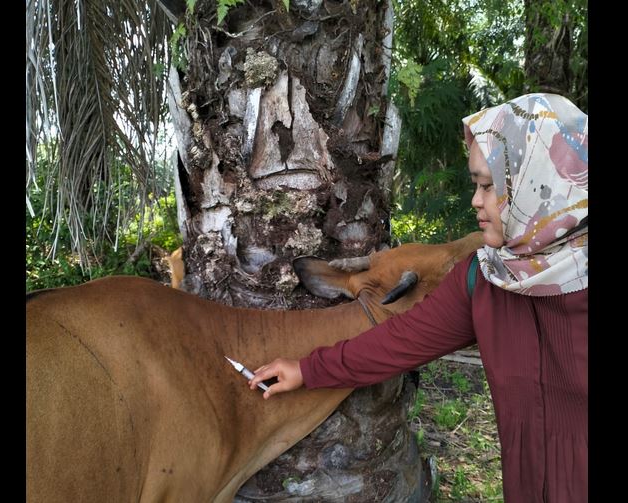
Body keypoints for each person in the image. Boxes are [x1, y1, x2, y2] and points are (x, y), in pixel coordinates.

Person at [249, 93, 588, 503]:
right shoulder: (486, 280)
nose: (475, 202)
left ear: (542, 183)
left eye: (488, 186)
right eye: (475, 185)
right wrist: (307, 369)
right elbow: (399, 341)